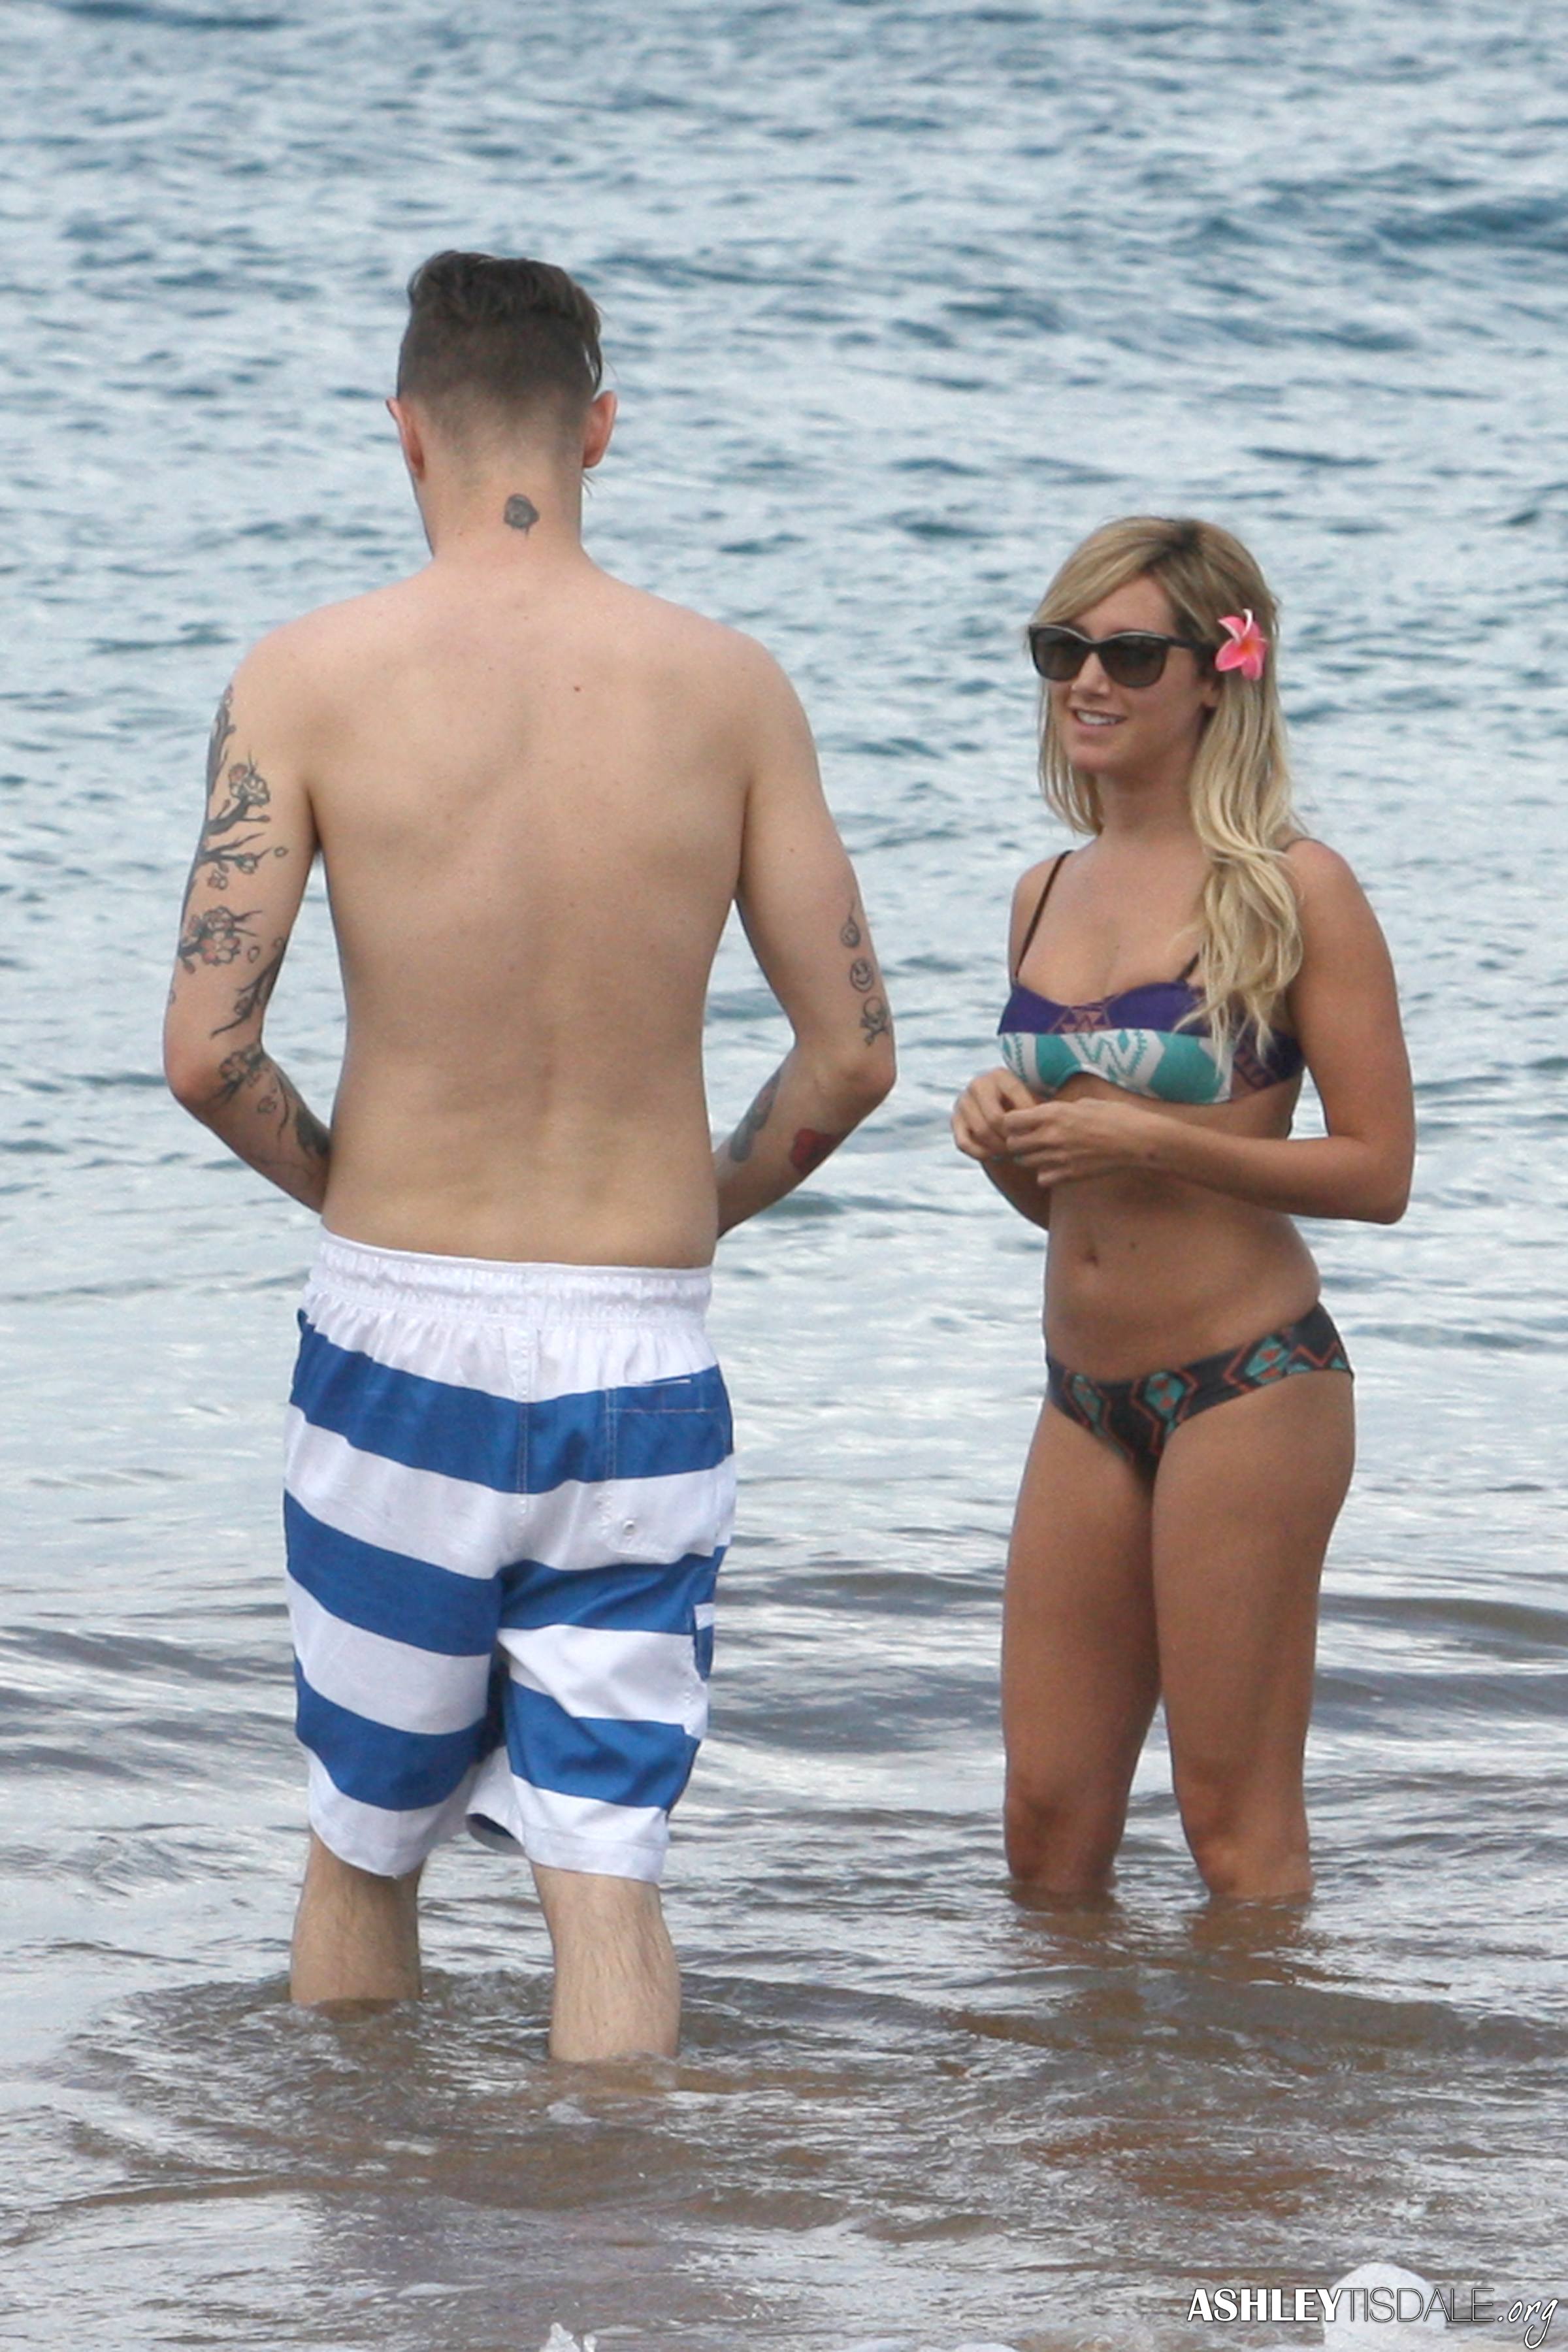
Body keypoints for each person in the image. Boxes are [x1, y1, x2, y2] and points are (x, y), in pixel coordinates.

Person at [163, 251, 895, 2057]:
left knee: (362, 1852)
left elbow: (206, 1055)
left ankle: (351, 2212)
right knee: (607, 1872)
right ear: (602, 430)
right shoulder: (731, 688)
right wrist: (698, 1200)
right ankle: (619, 2214)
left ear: (405, 433)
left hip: (396, 1333)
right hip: (639, 1348)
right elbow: (853, 1057)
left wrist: (358, 1189)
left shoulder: (306, 678)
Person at [951, 517, 1412, 1904]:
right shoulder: (1044, 890)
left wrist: (1161, 1137)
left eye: (1130, 655)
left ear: (1218, 676)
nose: (1088, 681)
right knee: (1045, 1826)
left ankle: (1266, 2053)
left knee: (1233, 1825)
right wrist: (1003, 1145)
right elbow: (1075, 1210)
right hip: (1083, 1395)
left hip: (1250, 1385)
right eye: (1063, 650)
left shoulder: (1292, 886)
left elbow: (1379, 1171)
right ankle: (1078, 2053)